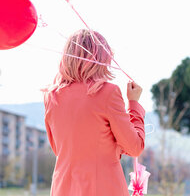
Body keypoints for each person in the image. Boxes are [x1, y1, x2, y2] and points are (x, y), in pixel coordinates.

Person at [43, 29, 145, 196]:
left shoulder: (51, 97)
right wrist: (133, 104)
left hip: (63, 189)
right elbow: (135, 147)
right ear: (101, 57)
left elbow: (61, 149)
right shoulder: (108, 92)